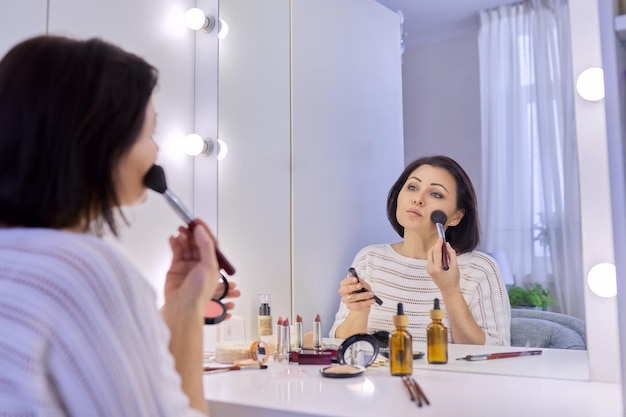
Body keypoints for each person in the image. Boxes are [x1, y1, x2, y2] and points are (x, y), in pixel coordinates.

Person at [0, 35, 239, 415]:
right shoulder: (84, 273)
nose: (156, 151)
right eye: (150, 132)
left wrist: (183, 308)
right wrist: (191, 312)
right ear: (102, 140)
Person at [329, 155, 510, 346]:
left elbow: (498, 354)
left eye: (436, 194)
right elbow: (341, 347)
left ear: (456, 216)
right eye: (412, 187)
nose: (418, 199)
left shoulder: (480, 268)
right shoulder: (370, 259)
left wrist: (450, 290)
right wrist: (359, 310)